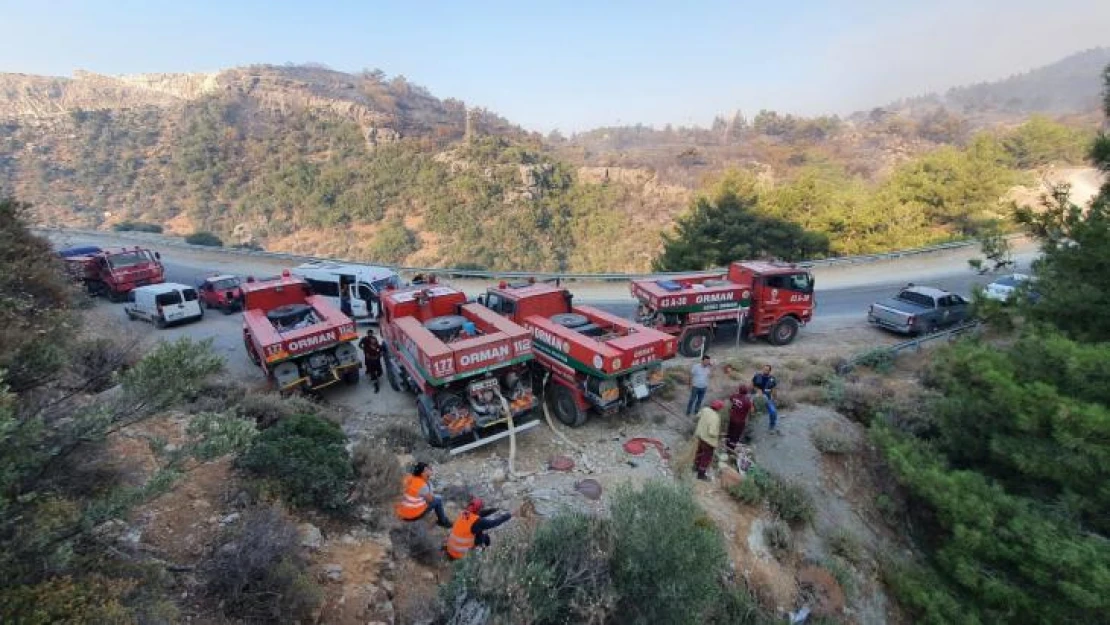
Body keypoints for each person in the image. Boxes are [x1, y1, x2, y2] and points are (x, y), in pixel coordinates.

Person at [445, 497, 513, 560]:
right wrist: (509, 515)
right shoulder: (478, 522)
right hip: (458, 553)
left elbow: (480, 513)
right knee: (485, 537)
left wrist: (495, 510)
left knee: (477, 531)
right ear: (478, 509)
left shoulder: (464, 513)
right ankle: (484, 552)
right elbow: (494, 523)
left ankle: (476, 546)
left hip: (450, 548)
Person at [395, 462, 452, 528]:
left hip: (399, 513)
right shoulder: (422, 485)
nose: (430, 470)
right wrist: (428, 484)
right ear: (422, 474)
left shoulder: (407, 477)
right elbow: (430, 500)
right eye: (427, 470)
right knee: (438, 500)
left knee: (424, 497)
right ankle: (443, 522)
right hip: (410, 516)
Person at [693, 399, 724, 481]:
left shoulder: (705, 409)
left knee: (699, 452)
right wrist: (718, 435)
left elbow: (697, 416)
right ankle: (701, 475)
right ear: (719, 408)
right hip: (708, 441)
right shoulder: (716, 417)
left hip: (700, 436)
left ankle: (695, 467)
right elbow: (712, 432)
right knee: (706, 457)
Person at [752, 365, 780, 435]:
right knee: (748, 409)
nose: (765, 371)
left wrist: (775, 399)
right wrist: (757, 390)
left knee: (773, 412)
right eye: (764, 369)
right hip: (756, 397)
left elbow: (774, 390)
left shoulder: (772, 379)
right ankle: (749, 427)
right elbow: (752, 385)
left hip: (767, 398)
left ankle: (772, 426)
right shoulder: (757, 376)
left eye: (767, 370)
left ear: (769, 371)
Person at [727, 383, 753, 451]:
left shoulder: (734, 396)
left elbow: (730, 399)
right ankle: (731, 448)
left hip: (732, 418)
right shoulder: (747, 401)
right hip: (740, 421)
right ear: (746, 392)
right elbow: (752, 410)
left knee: (730, 432)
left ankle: (727, 443)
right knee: (736, 435)